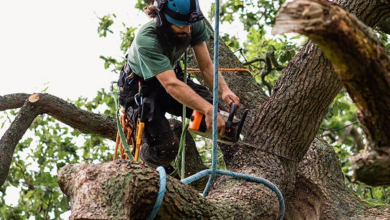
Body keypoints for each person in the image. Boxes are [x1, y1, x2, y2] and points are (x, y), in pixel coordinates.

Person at [118, 0, 240, 173]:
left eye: (189, 25)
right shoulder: (147, 39)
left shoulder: (190, 23)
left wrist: (225, 90)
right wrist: (207, 109)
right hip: (140, 89)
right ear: (162, 20)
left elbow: (206, 66)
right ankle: (153, 162)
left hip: (171, 77)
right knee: (166, 147)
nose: (187, 30)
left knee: (224, 120)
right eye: (181, 25)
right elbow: (171, 85)